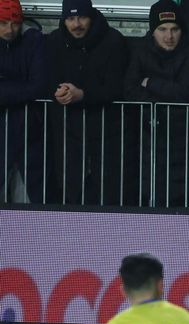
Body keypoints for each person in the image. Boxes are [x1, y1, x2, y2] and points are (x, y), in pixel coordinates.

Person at [46, 0, 128, 206]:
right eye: (71, 19)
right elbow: (44, 79)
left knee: (108, 191)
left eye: (81, 17)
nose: (76, 24)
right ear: (64, 20)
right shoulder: (54, 41)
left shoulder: (113, 41)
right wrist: (57, 92)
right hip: (67, 130)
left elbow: (116, 86)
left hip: (107, 130)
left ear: (91, 17)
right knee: (69, 188)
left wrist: (83, 95)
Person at [124, 0, 189, 207]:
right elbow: (129, 89)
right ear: (153, 31)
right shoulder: (140, 51)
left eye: (174, 29)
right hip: (150, 137)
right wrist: (157, 101)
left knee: (187, 200)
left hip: (187, 140)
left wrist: (150, 82)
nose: (169, 36)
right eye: (162, 29)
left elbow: (186, 93)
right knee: (151, 196)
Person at [0, 0, 48, 203]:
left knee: (27, 202)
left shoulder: (34, 40)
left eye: (15, 23)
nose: (10, 30)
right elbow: (32, 87)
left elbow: (39, 85)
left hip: (28, 131)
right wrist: (22, 87)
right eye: (3, 23)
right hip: (20, 123)